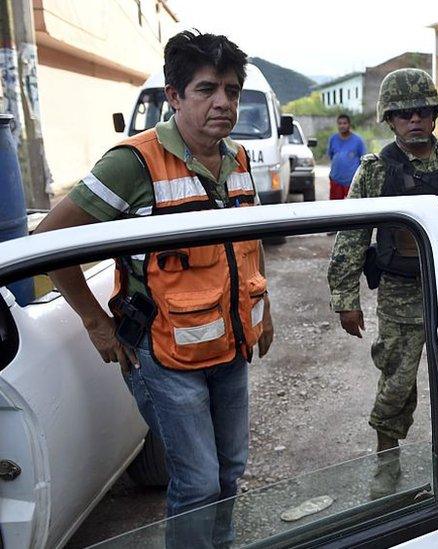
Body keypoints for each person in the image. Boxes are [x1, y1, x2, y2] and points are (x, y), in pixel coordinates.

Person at [35, 30, 274, 547]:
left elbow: (245, 246)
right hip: (163, 356)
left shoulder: (237, 160)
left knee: (230, 471)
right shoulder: (133, 162)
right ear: (174, 95)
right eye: (206, 89)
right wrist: (95, 320)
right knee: (199, 481)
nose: (223, 103)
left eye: (231, 91)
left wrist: (264, 306)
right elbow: (49, 240)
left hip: (229, 347)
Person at [326, 68, 438, 500]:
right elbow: (352, 234)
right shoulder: (377, 171)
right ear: (389, 120)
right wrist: (345, 296)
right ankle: (387, 462)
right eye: (402, 114)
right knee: (396, 383)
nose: (413, 120)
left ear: (433, 115)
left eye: (421, 112)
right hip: (400, 296)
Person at [327, 113, 367, 200]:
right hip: (336, 180)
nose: (342, 126)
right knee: (336, 208)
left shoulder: (357, 140)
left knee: (353, 209)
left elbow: (363, 160)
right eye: (340, 123)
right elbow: (331, 156)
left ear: (349, 124)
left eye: (344, 123)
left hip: (352, 182)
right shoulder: (333, 139)